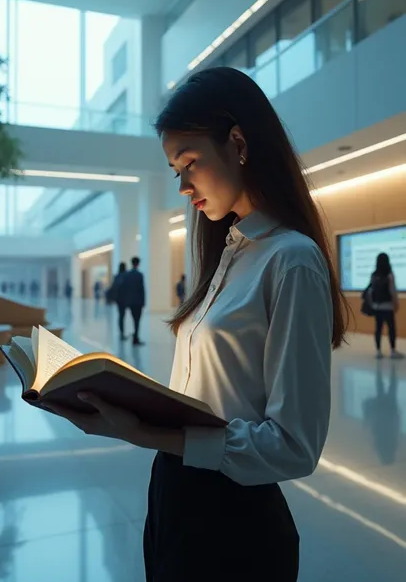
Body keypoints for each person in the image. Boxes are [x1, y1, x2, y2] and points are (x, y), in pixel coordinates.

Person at [46, 68, 348, 581]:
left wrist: (147, 431)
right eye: (173, 170)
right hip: (175, 492)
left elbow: (294, 447)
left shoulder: (291, 261)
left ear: (237, 143)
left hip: (234, 522)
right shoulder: (225, 253)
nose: (183, 186)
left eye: (189, 163)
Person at [370, 252, 402, 359]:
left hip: (377, 306)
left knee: (378, 329)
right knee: (391, 328)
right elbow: (392, 291)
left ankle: (378, 351)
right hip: (388, 307)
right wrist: (396, 304)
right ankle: (393, 351)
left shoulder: (374, 275)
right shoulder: (389, 275)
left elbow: (372, 291)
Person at [120, 257, 145, 346]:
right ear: (138, 264)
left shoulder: (127, 275)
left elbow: (125, 289)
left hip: (130, 302)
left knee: (134, 319)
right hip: (138, 302)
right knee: (137, 320)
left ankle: (135, 337)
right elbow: (142, 290)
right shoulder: (139, 275)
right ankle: (135, 338)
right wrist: (143, 302)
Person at [109, 262, 128, 340]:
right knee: (123, 316)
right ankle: (122, 333)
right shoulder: (126, 276)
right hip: (125, 299)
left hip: (118, 299)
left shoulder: (116, 276)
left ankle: (121, 333)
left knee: (121, 316)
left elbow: (113, 287)